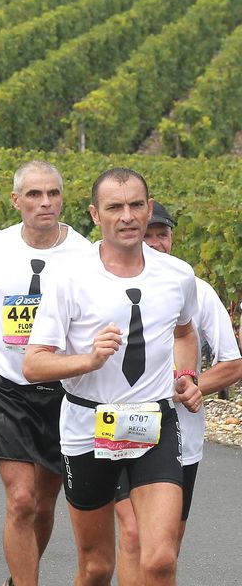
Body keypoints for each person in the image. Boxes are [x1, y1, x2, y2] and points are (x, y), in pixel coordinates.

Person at [24, 168, 203, 586]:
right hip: (88, 424)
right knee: (97, 566)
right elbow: (34, 364)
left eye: (136, 205)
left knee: (159, 557)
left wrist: (187, 374)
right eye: (115, 207)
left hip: (154, 422)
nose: (127, 216)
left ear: (149, 207)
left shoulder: (177, 275)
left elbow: (184, 332)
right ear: (94, 214)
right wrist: (86, 360)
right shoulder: (69, 277)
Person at [0, 161, 91, 586]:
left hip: (59, 387)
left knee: (44, 504)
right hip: (2, 381)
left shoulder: (84, 254)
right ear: (16, 201)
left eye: (53, 194)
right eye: (34, 195)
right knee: (21, 499)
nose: (45, 203)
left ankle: (19, 576)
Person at [113, 201, 242, 584]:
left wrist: (193, 385)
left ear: (172, 238)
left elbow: (233, 363)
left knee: (164, 550)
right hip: (119, 425)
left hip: (181, 434)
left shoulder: (196, 290)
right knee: (133, 532)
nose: (155, 242)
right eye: (148, 234)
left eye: (162, 234)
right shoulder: (106, 284)